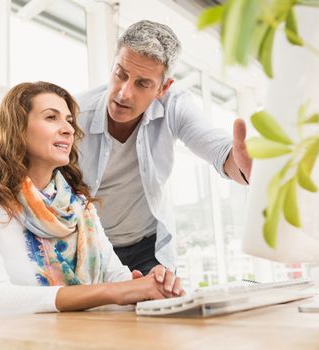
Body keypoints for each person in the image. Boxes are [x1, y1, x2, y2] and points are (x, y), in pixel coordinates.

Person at [0, 81, 184, 319]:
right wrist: (111, 291)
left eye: (69, 120)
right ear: (18, 128)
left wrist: (150, 285)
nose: (68, 129)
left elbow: (119, 280)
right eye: (51, 117)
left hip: (78, 338)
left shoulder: (81, 207)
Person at [75, 20, 252, 275]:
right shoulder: (76, 114)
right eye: (120, 74)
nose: (124, 93)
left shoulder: (175, 104)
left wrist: (244, 167)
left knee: (162, 310)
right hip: (91, 248)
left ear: (163, 88)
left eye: (142, 83)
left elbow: (218, 149)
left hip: (148, 250)